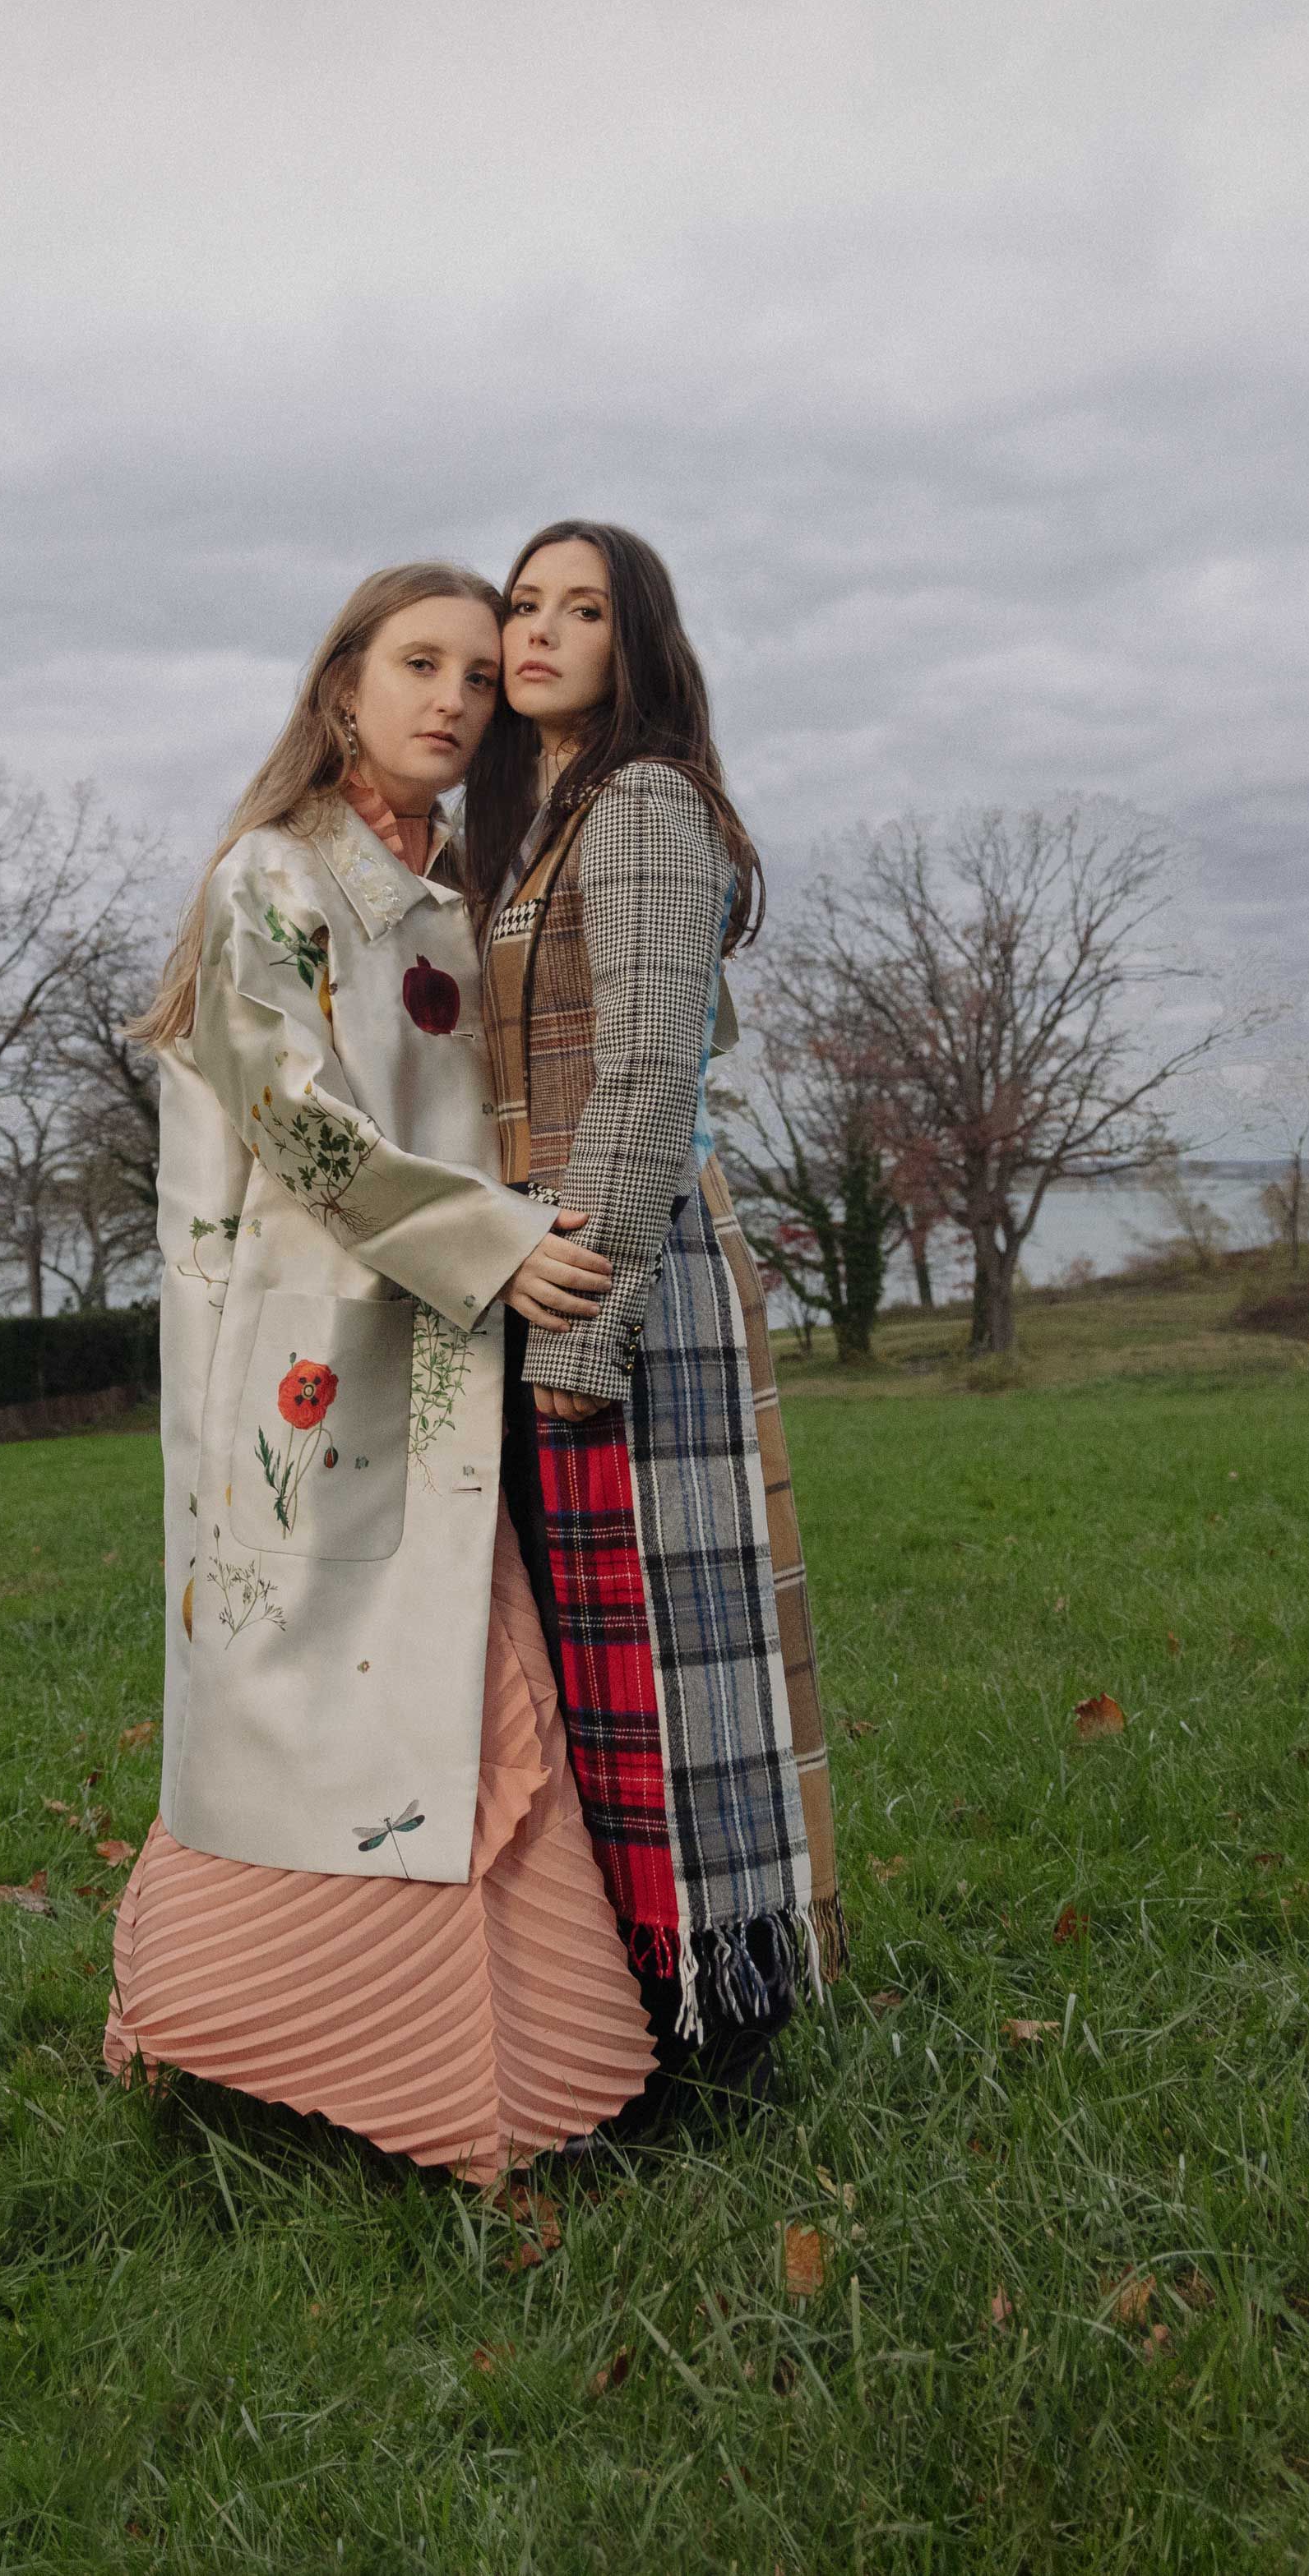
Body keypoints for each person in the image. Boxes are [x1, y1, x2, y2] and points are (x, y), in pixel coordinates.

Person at [105, 560, 656, 2182]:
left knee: (462, 1681)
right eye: (421, 663)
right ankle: (279, 2039)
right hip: (295, 1363)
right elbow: (297, 1123)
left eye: (482, 678)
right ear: (343, 683)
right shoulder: (273, 880)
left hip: (439, 1364)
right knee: (299, 1698)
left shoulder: (458, 900)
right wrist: (493, 1241)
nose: (453, 699)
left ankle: (505, 2070)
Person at [466, 519, 840, 2087]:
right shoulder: (541, 818)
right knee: (599, 1661)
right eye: (522, 604)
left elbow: (644, 1074)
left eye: (583, 609)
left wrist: (584, 1321)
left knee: (678, 1657)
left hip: (632, 1274)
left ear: (640, 641)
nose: (538, 633)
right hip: (554, 1262)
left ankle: (723, 2020)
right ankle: (624, 2005)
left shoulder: (638, 805)